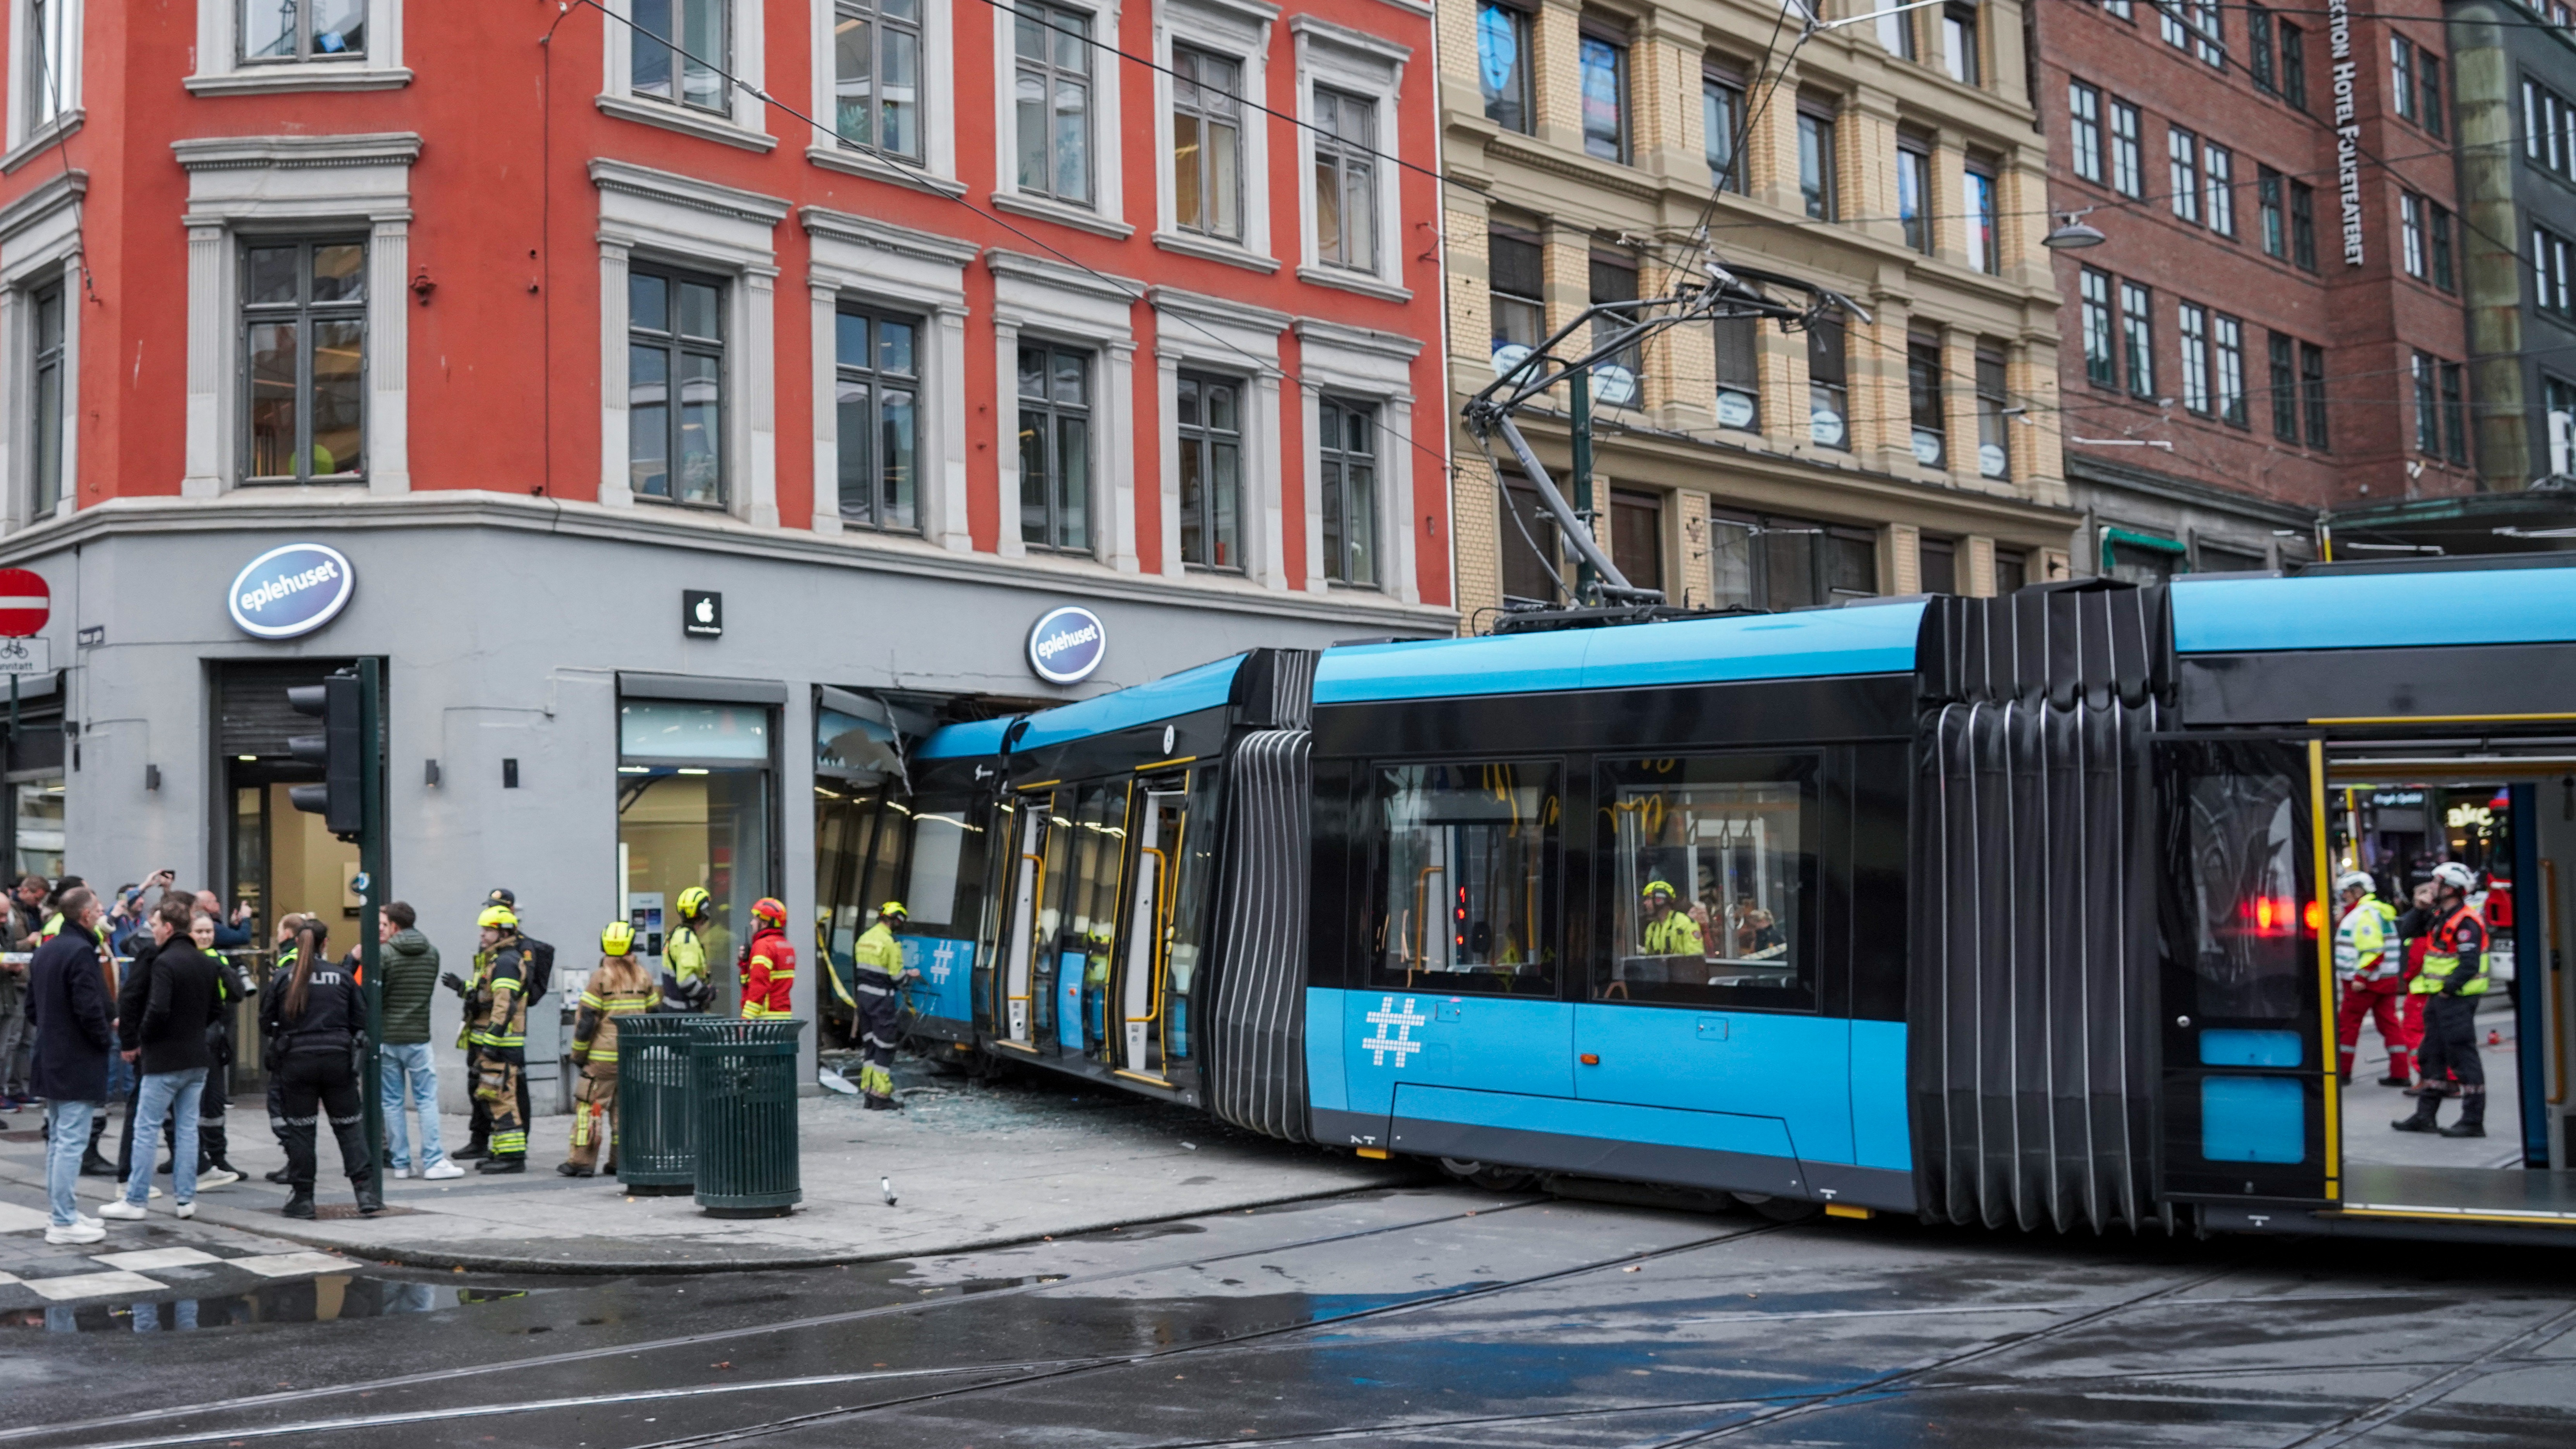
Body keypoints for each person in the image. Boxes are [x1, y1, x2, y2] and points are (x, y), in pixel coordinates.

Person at [101, 897, 225, 1222]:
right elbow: (217, 1008)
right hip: (197, 1056)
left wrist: (143, 1037)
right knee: (187, 1129)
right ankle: (185, 1199)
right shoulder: (206, 962)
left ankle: (136, 1198)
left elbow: (157, 1008)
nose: (153, 931)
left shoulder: (165, 963)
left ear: (169, 928)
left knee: (146, 1127)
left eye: (156, 925)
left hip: (164, 1058)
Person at [261, 918, 383, 1218]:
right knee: (350, 1127)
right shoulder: (341, 976)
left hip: (297, 1062)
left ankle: (303, 1198)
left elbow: (266, 1021)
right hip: (337, 1060)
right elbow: (359, 1019)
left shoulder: (284, 977)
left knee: (302, 1131)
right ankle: (365, 1192)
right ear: (325, 943)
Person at [27, 886, 110, 1243]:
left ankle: (64, 1211)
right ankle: (62, 1220)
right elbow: (89, 1007)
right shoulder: (79, 951)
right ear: (86, 915)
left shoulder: (48, 949)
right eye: (99, 907)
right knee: (70, 1141)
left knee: (61, 1139)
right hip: (76, 1057)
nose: (103, 911)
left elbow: (32, 1008)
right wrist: (104, 1039)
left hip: (51, 1054)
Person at [2394, 861, 2492, 1138]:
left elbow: (2469, 963)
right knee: (2431, 1054)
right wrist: (2421, 907)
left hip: (2456, 1000)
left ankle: (2473, 1120)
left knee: (2463, 1056)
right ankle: (2425, 1116)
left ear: (2450, 888)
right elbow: (2407, 931)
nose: (2431, 887)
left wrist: (2449, 989)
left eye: (2436, 883)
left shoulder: (2466, 921)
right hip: (2439, 999)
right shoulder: (2439, 914)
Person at [561, 922, 657, 1177]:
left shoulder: (601, 977)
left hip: (601, 1060)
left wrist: (579, 1055)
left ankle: (582, 1161)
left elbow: (587, 1021)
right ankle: (621, 1161)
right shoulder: (644, 976)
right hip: (632, 1058)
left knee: (590, 1107)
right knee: (624, 1111)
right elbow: (654, 1014)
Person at [377, 901, 461, 1180]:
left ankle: (401, 1163)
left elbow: (379, 996)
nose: (382, 929)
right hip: (418, 1036)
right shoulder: (432, 953)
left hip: (388, 1037)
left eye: (384, 924)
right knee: (426, 1100)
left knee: (391, 1101)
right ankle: (434, 1159)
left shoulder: (384, 954)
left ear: (395, 926)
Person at [446, 904, 531, 1172]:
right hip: (495, 1042)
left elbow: (504, 1005)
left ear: (503, 932)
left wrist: (492, 1041)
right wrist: (464, 989)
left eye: (488, 930)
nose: (482, 935)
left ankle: (513, 1157)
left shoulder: (505, 962)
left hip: (501, 1045)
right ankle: (500, 1151)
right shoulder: (497, 960)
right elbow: (486, 997)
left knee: (501, 1096)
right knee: (491, 1095)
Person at [191, 909, 256, 1181]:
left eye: (209, 931)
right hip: (189, 1041)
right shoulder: (183, 960)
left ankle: (217, 1157)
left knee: (214, 1102)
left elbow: (236, 995)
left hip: (213, 1039)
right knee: (188, 1105)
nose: (206, 936)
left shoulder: (218, 958)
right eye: (200, 931)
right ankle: (191, 1158)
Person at [2332, 870, 2413, 1086]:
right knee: (2390, 1025)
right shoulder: (2376, 911)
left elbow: (2374, 951)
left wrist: (2361, 977)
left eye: (2346, 893)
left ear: (2358, 891)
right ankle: (2400, 1073)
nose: (2343, 898)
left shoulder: (2363, 915)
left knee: (2347, 1026)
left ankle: (2343, 1072)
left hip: (2364, 984)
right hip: (2385, 982)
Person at [849, 902, 921, 1110]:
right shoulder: (890, 943)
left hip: (863, 1001)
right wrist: (910, 975)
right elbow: (898, 978)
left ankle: (869, 1093)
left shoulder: (864, 939)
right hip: (882, 1002)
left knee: (871, 1045)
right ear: (895, 920)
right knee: (886, 1047)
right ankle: (881, 1095)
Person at [660, 886, 715, 1012]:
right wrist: (708, 994)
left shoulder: (676, 934)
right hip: (685, 1014)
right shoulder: (687, 941)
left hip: (675, 1012)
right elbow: (686, 982)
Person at [739, 897, 795, 1019]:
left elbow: (758, 988)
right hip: (783, 1018)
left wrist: (746, 1020)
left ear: (765, 923)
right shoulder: (786, 946)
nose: (751, 923)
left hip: (765, 1022)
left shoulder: (763, 946)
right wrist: (746, 963)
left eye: (755, 919)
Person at [1639, 880, 1703, 957]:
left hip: (1680, 969)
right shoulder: (1652, 928)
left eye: (1648, 898)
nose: (1645, 903)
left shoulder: (1685, 923)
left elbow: (1695, 959)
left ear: (1660, 899)